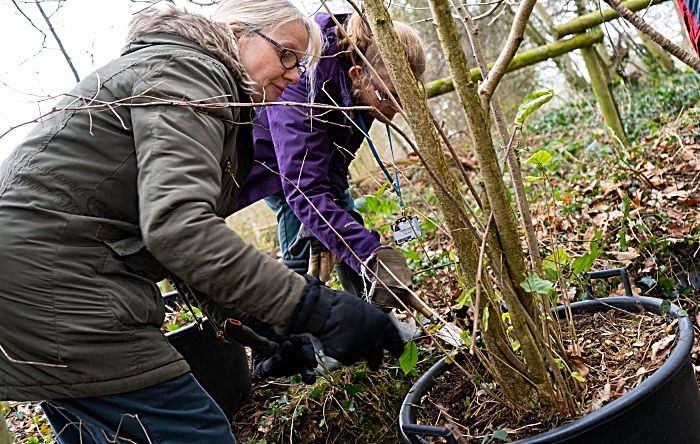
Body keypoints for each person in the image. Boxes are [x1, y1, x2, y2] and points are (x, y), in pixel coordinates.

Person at [0, 2, 405, 443]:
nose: (294, 75)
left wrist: (266, 329)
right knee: (199, 434)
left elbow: (165, 240)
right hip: (58, 288)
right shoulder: (190, 71)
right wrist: (315, 309)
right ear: (236, 32)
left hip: (32, 289)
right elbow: (179, 228)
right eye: (287, 54)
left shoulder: (180, 78)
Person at [230, 12, 427, 320]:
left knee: (340, 214)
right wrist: (372, 255)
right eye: (388, 95)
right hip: (270, 158)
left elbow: (338, 158)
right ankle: (298, 341)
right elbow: (302, 188)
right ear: (357, 74)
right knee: (300, 228)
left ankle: (374, 321)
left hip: (303, 161)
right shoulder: (306, 79)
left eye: (407, 96)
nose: (397, 108)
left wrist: (328, 220)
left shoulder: (359, 91)